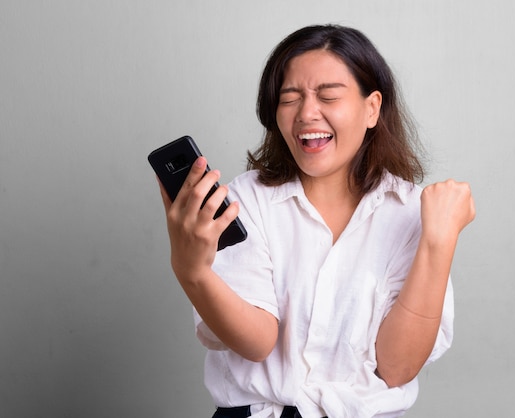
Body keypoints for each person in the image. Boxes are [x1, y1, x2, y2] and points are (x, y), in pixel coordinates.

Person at [158, 24, 475, 418]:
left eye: (328, 95)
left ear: (372, 108)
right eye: (290, 98)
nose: (307, 113)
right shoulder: (247, 201)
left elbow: (396, 367)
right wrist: (193, 274)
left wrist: (438, 242)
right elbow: (257, 342)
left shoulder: (412, 212)